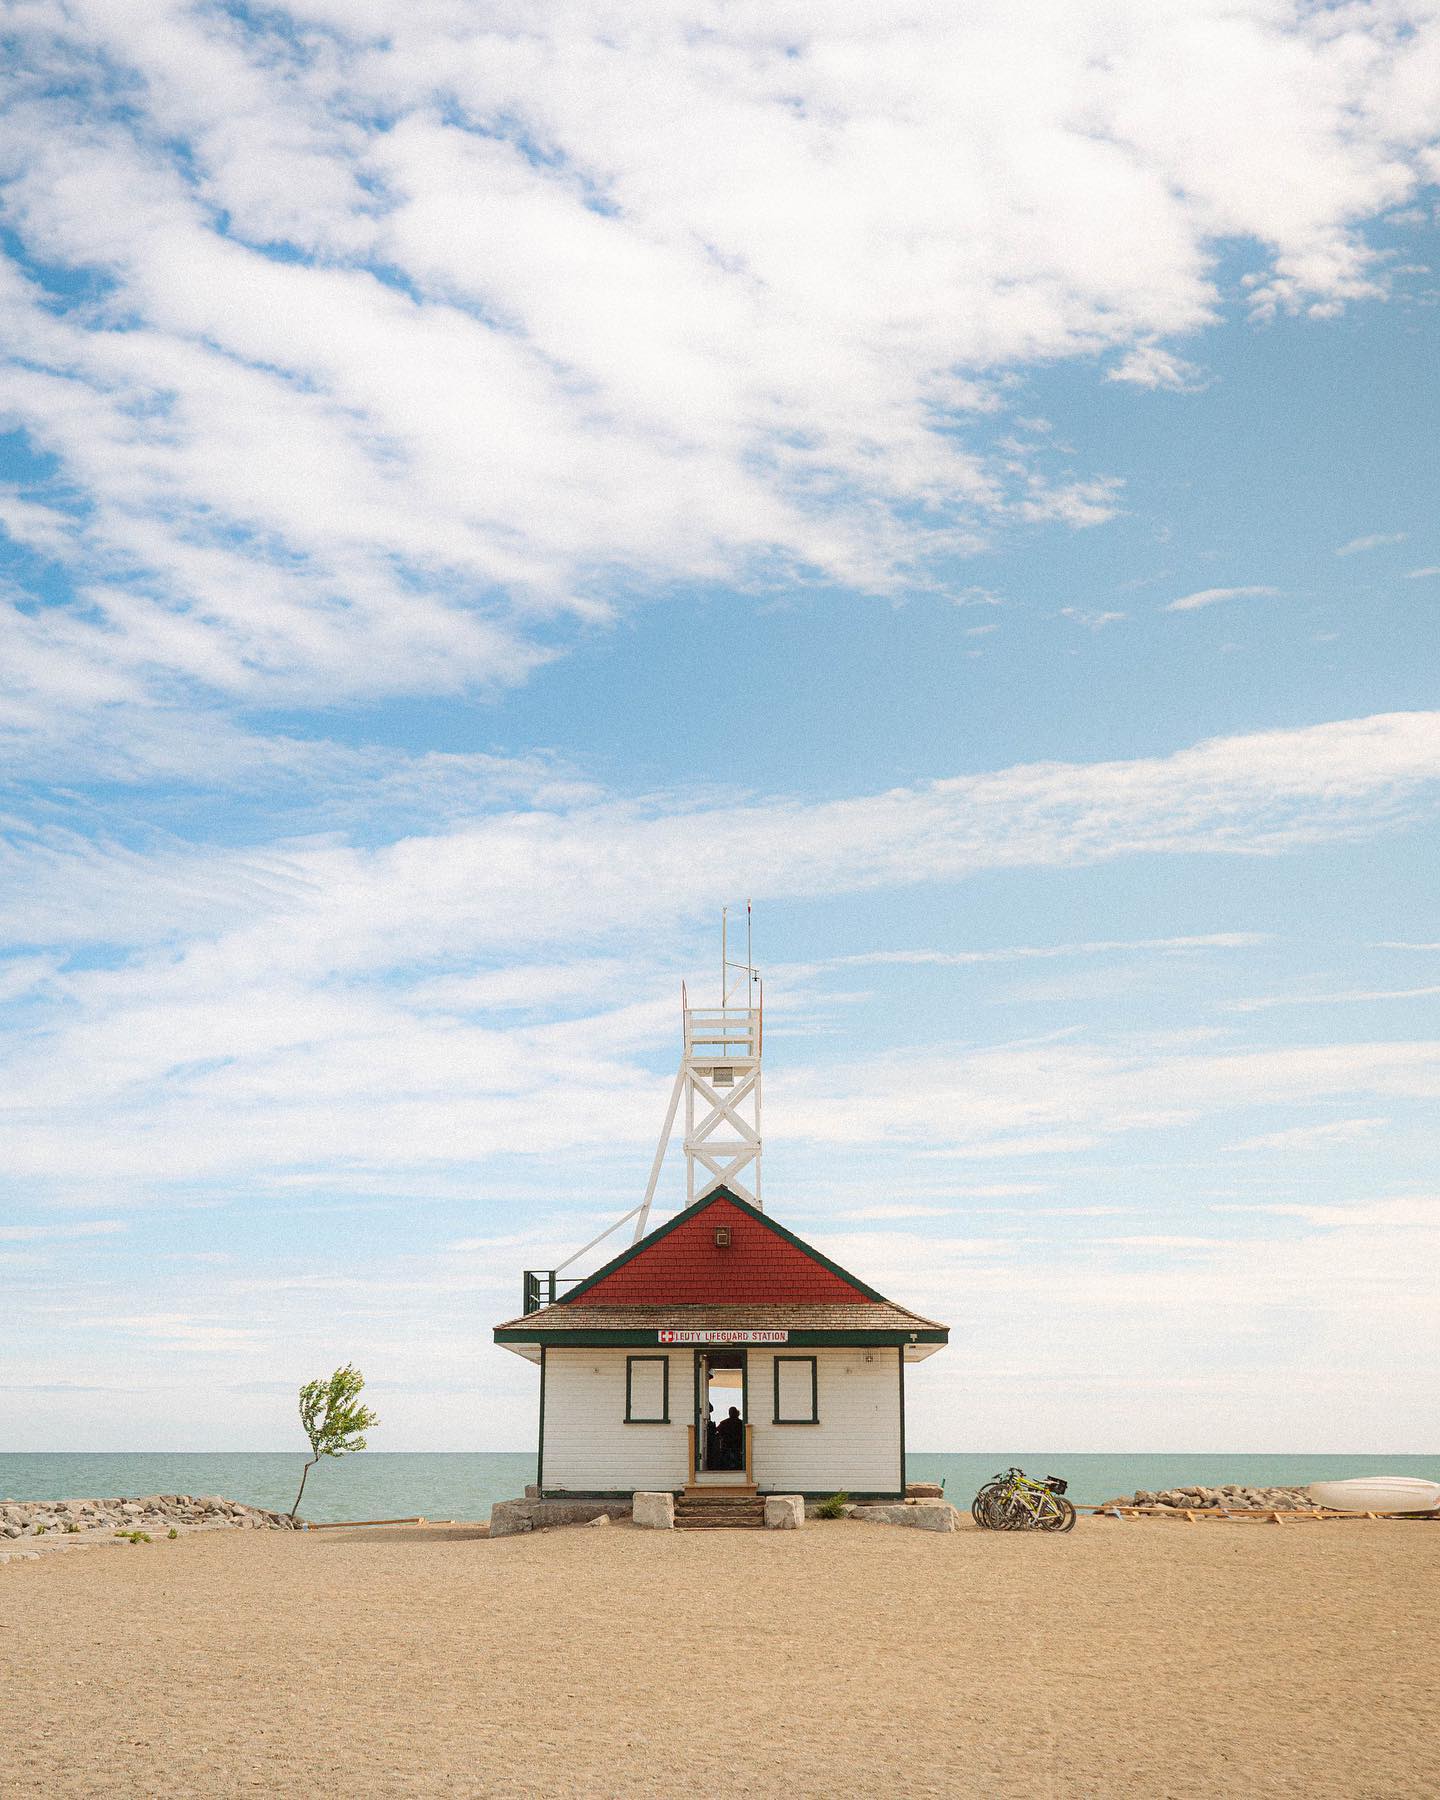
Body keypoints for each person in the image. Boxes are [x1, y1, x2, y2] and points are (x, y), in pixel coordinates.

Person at [717, 1405, 743, 1470]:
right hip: (738, 1444)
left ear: (729, 1413)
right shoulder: (741, 1423)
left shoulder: (723, 1423)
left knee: (726, 1459)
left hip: (726, 1444)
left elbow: (717, 1430)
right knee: (737, 1459)